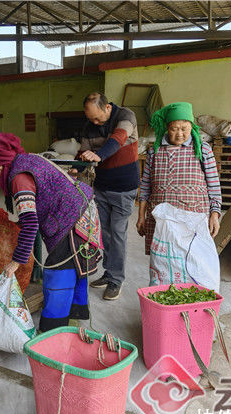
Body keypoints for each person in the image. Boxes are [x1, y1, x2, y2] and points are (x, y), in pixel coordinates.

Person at [0, 133, 102, 332]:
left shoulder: (18, 178)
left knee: (58, 274)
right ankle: (74, 317)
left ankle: (53, 329)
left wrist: (16, 262)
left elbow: (31, 223)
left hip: (73, 219)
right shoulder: (25, 160)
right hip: (82, 210)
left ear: (0, 166)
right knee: (74, 270)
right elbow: (32, 211)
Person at [136, 102, 221, 254]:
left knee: (191, 261)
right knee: (164, 261)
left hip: (193, 219)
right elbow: (146, 186)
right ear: (166, 128)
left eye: (184, 129)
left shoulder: (202, 149)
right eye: (174, 129)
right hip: (161, 221)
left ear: (192, 127)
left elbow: (214, 186)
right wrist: (141, 215)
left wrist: (214, 214)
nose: (180, 134)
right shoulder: (154, 151)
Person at [79, 92, 139, 301]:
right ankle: (109, 272)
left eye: (97, 118)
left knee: (118, 233)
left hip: (124, 187)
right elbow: (84, 151)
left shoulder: (125, 115)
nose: (94, 123)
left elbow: (118, 138)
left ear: (107, 108)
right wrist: (79, 164)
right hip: (101, 187)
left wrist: (99, 155)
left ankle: (116, 280)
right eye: (91, 119)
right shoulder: (89, 126)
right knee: (104, 233)